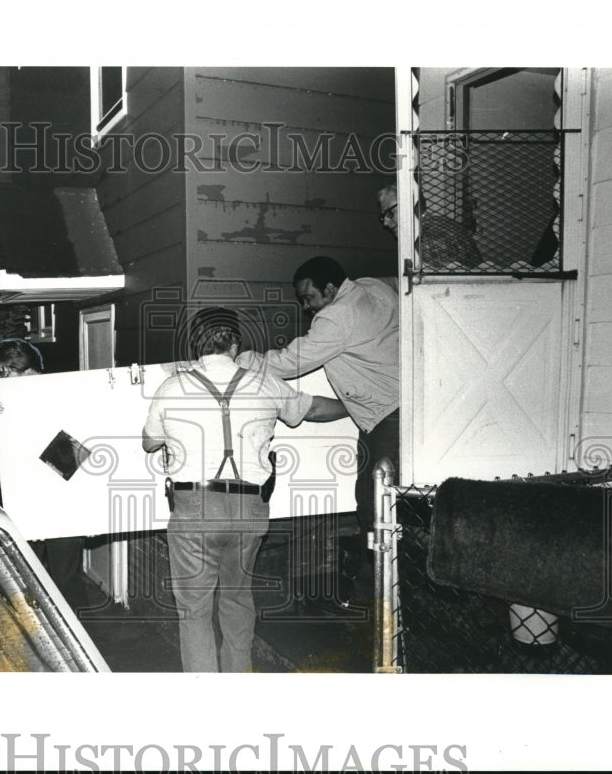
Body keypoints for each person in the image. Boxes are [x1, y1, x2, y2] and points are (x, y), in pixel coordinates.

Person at [142, 307, 347, 672]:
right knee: (237, 601)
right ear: (236, 343)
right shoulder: (265, 382)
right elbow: (313, 409)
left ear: (195, 346)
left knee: (194, 610)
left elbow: (148, 443)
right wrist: (356, 405)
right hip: (249, 510)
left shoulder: (172, 387)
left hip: (194, 510)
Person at [236, 255, 399, 607]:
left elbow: (288, 362)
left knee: (374, 505)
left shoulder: (335, 318)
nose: (307, 307)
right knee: (390, 500)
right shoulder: (373, 288)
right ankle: (385, 585)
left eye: (309, 298)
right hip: (398, 407)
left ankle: (381, 596)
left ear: (330, 288)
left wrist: (243, 361)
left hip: (389, 419)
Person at [0, 338, 88, 610]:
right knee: (26, 576)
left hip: (64, 503)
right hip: (25, 502)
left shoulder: (65, 394)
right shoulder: (5, 401)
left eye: (6, 375)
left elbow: (85, 451)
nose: (1, 383)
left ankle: (82, 643)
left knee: (66, 578)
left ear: (26, 370)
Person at [379, 184, 482, 268]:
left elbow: (439, 288)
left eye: (390, 213)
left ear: (410, 204)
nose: (385, 223)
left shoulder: (429, 238)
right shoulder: (435, 224)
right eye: (383, 217)